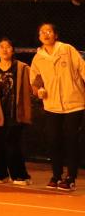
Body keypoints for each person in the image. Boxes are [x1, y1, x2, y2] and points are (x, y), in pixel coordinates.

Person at [30, 22, 85, 191]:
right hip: (52, 105)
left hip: (74, 103)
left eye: (49, 31)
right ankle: (56, 175)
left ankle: (71, 177)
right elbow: (35, 81)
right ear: (39, 37)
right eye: (42, 32)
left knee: (71, 140)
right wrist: (38, 90)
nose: (45, 34)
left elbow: (82, 69)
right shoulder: (38, 58)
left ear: (56, 34)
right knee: (54, 140)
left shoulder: (67, 50)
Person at [0, 37, 32, 185]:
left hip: (16, 113)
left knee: (12, 144)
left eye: (8, 47)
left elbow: (34, 84)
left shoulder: (22, 68)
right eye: (1, 47)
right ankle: (2, 173)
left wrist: (40, 90)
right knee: (0, 145)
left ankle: (18, 175)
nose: (4, 49)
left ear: (13, 50)